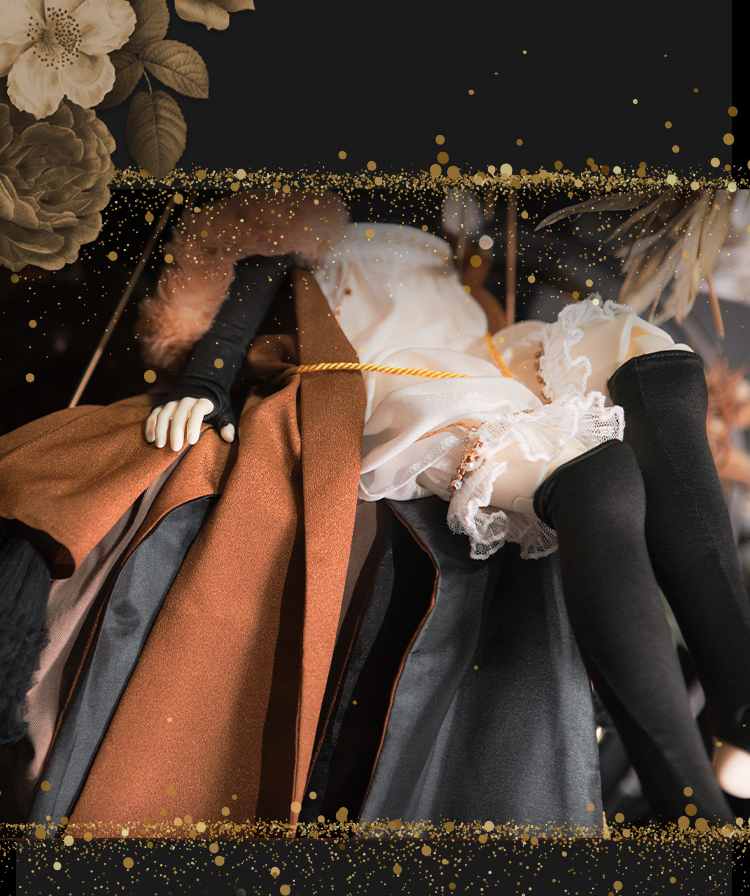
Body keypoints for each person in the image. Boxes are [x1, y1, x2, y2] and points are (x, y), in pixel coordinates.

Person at [1, 192, 748, 832]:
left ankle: (739, 699)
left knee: (649, 355)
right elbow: (262, 260)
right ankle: (693, 811)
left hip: (469, 328)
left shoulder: (470, 222)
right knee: (596, 476)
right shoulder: (315, 200)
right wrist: (206, 378)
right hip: (378, 339)